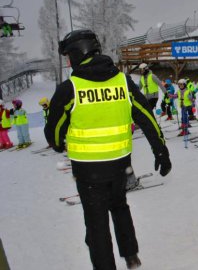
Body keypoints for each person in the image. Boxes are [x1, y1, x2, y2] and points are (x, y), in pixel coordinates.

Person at [44, 29, 172, 270]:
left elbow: (54, 135)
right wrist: (161, 151)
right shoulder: (123, 82)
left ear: (76, 55)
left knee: (96, 223)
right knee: (120, 206)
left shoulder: (69, 89)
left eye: (69, 57)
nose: (68, 62)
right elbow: (146, 116)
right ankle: (131, 255)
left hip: (88, 171)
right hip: (120, 166)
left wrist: (60, 144)